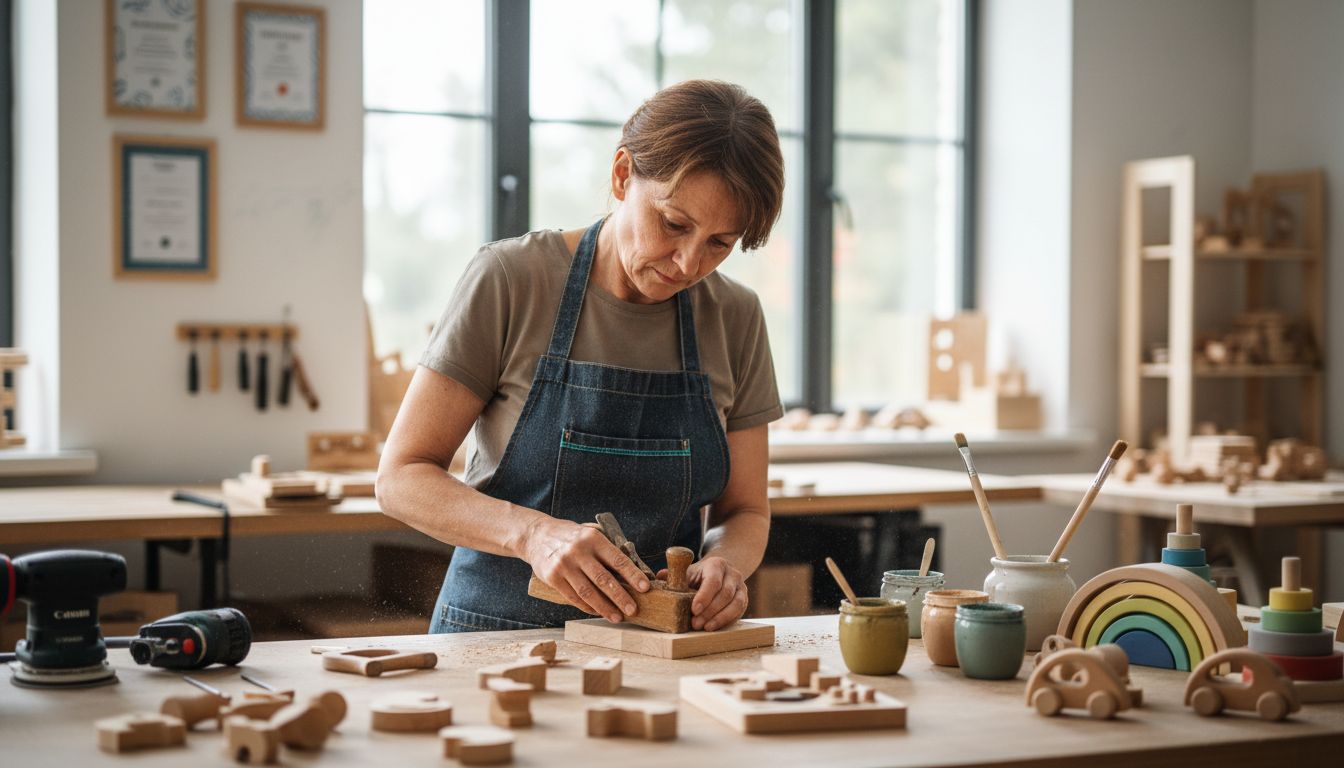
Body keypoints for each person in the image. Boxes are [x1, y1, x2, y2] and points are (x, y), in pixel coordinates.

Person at [377, 79, 786, 634]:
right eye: (673, 224)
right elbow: (401, 477)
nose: (690, 263)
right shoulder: (510, 279)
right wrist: (532, 535)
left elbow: (745, 512)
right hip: (495, 639)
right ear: (623, 175)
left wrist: (728, 566)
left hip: (659, 651)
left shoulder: (734, 315)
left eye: (720, 242)